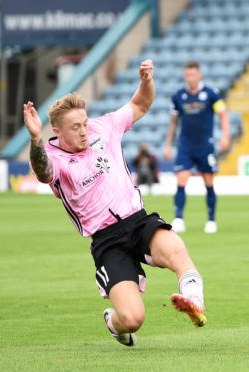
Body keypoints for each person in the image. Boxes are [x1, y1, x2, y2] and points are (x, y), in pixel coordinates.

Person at [23, 59, 206, 348]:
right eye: (75, 127)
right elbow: (44, 171)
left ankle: (195, 301)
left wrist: (146, 81)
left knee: (175, 249)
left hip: (138, 220)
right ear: (57, 131)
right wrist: (35, 139)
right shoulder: (52, 157)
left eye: (84, 123)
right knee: (133, 319)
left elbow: (140, 105)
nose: (84, 131)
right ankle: (114, 322)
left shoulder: (102, 127)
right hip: (107, 241)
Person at [164, 60, 230, 234]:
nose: (190, 77)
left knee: (208, 182)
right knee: (181, 180)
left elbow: (223, 115)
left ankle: (211, 220)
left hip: (205, 146)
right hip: (185, 145)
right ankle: (178, 218)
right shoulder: (178, 96)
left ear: (199, 74)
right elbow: (173, 123)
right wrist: (168, 145)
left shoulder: (211, 94)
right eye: (187, 75)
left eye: (193, 74)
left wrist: (225, 136)